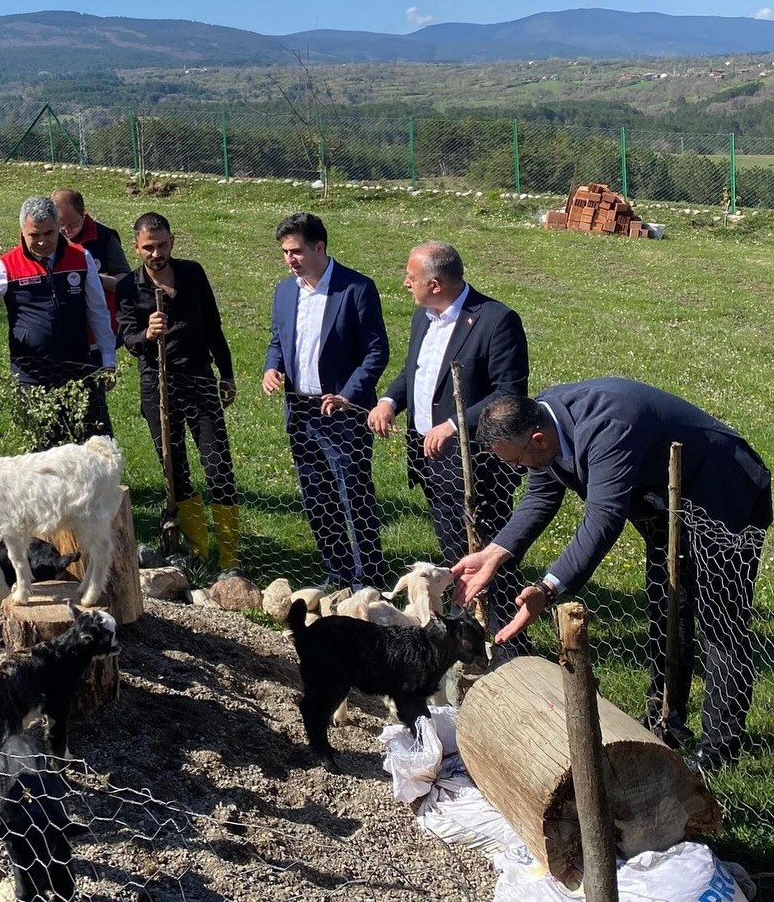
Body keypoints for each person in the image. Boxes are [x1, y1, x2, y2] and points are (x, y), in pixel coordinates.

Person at [452, 380, 771, 772]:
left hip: (723, 496)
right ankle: (665, 721)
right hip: (664, 503)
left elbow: (604, 518)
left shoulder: (608, 427)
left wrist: (547, 588)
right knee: (668, 607)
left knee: (721, 622)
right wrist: (494, 552)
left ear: (537, 439)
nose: (518, 470)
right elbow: (541, 495)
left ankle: (718, 751)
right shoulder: (544, 424)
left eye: (517, 461)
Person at [366, 241, 529, 646]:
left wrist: (455, 425)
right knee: (452, 545)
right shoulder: (423, 318)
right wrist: (389, 401)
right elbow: (415, 371)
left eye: (411, 277)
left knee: (488, 551)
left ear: (435, 284)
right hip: (429, 458)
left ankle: (509, 639)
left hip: (477, 463)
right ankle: (469, 630)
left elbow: (509, 393)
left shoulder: (496, 321)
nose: (405, 283)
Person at [262, 213, 389, 589]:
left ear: (319, 247)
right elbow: (277, 340)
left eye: (297, 251)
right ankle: (337, 574)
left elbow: (376, 351)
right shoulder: (285, 292)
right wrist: (272, 367)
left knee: (354, 495)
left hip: (342, 412)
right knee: (316, 495)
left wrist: (348, 395)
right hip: (300, 411)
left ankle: (368, 578)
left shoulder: (355, 288)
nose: (290, 259)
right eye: (285, 252)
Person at [115, 212, 241, 569]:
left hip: (200, 379)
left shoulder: (193, 274)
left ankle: (230, 556)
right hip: (157, 385)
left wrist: (227, 374)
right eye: (148, 248)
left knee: (218, 466)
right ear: (136, 247)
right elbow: (128, 338)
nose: (157, 254)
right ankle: (199, 550)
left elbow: (213, 326)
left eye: (162, 245)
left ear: (172, 241)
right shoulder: (129, 287)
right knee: (175, 469)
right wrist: (147, 334)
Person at [0, 195, 117, 447]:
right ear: (22, 231)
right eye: (34, 235)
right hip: (32, 376)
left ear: (59, 226)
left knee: (97, 445)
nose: (42, 241)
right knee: (44, 452)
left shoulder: (80, 258)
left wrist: (108, 360)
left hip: (80, 368)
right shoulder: (6, 266)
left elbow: (99, 312)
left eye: (49, 233)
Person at [53, 187, 130, 438]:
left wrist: (93, 278)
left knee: (93, 411)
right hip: (62, 336)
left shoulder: (105, 238)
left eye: (72, 224)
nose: (66, 231)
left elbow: (126, 282)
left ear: (84, 213)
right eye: (60, 226)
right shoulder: (50, 238)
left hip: (95, 335)